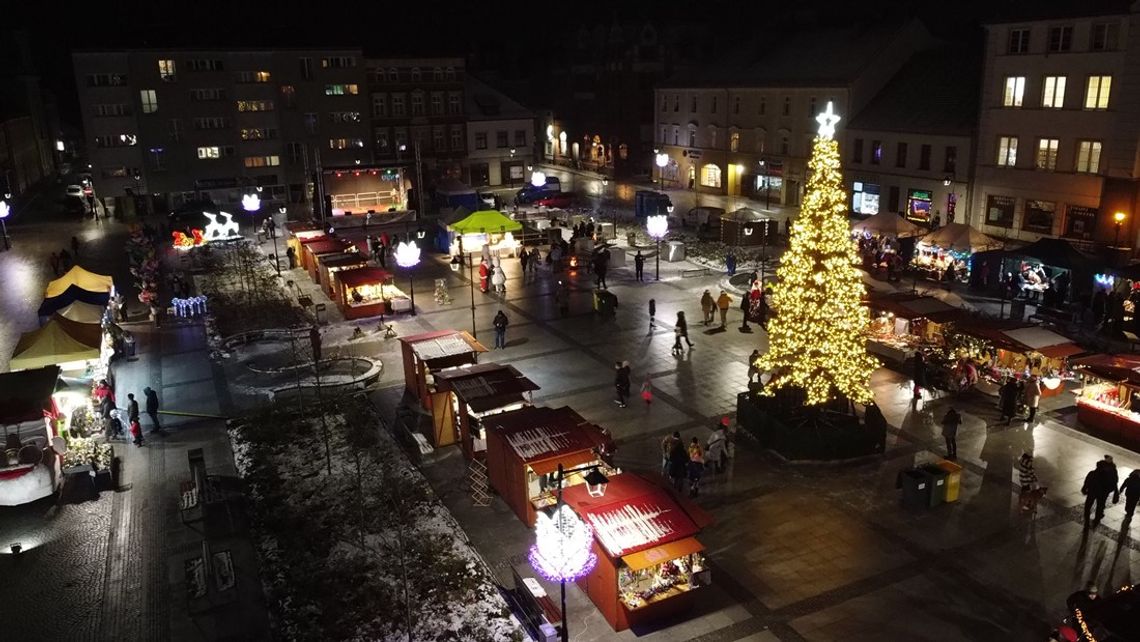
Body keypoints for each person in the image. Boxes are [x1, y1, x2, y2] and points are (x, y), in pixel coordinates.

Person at [1082, 460, 1112, 527]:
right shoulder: (1106, 476)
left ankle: (1087, 520)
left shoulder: (1092, 473)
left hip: (1092, 492)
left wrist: (1084, 488)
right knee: (1099, 507)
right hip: (1100, 494)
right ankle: (1096, 520)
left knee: (1088, 506)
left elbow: (1087, 482)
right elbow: (1108, 485)